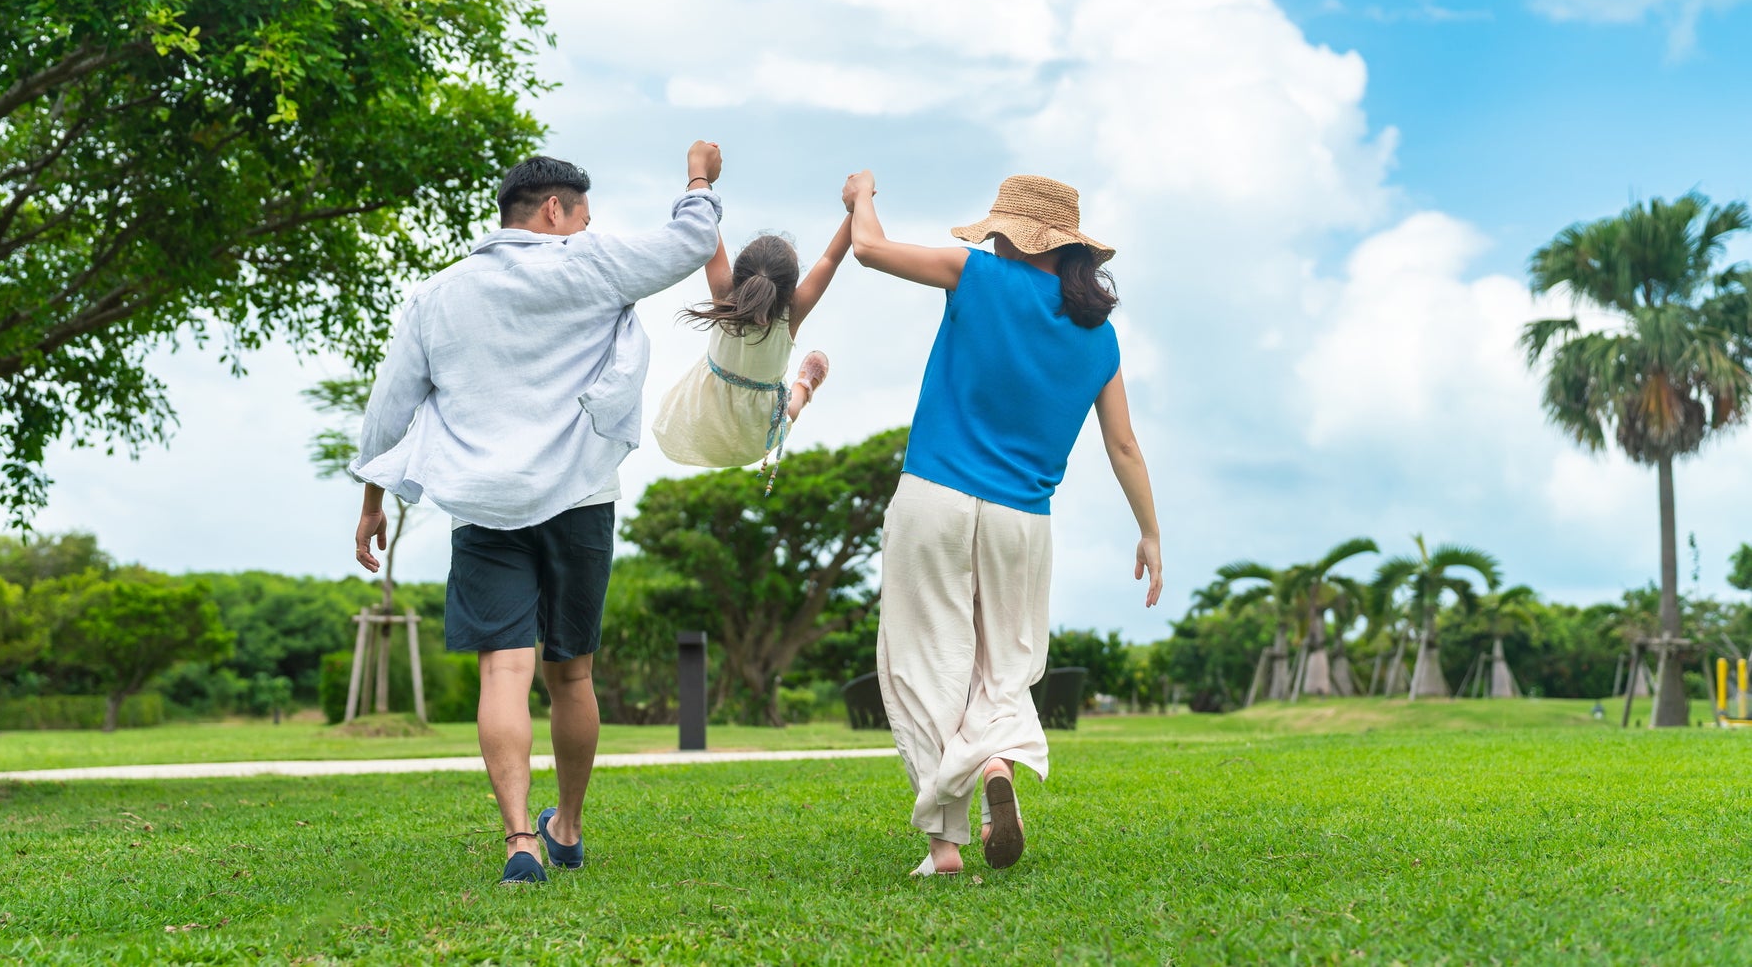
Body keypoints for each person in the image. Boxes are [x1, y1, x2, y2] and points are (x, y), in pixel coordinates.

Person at [348, 143, 724, 885]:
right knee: (571, 677)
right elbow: (692, 240)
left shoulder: (438, 294)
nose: (588, 229)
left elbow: (389, 404)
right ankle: (569, 828)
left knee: (503, 670)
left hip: (485, 504)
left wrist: (371, 500)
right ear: (555, 210)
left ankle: (520, 838)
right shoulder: (589, 264)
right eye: (583, 217)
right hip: (580, 498)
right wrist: (699, 177)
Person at [842, 169, 1165, 877]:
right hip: (1023, 521)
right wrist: (1149, 532)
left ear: (1012, 236)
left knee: (927, 666)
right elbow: (1123, 447)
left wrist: (861, 195)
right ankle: (996, 760)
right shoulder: (1099, 336)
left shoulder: (976, 275)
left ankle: (945, 847)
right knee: (1005, 671)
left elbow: (868, 249)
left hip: (934, 497)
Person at [650, 217, 852, 486]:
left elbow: (707, 226)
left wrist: (703, 193)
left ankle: (803, 388)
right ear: (791, 290)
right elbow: (830, 259)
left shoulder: (723, 293)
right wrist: (857, 207)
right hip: (758, 433)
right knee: (787, 410)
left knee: (780, 410)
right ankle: (803, 389)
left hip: (703, 421)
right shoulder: (792, 312)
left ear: (738, 275)